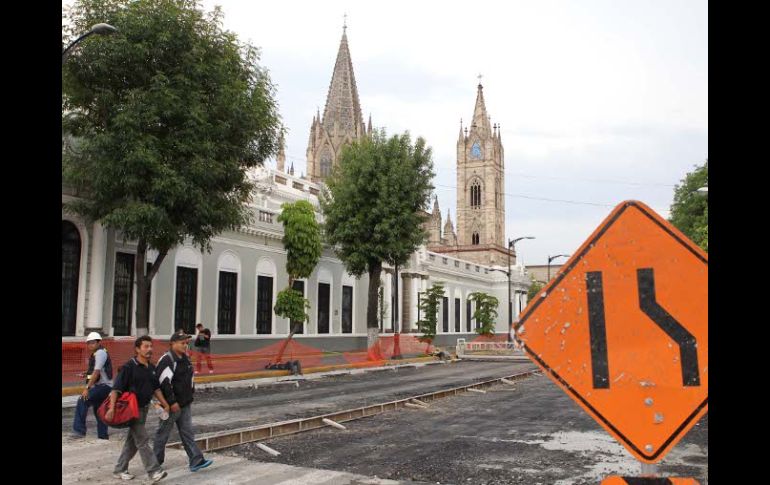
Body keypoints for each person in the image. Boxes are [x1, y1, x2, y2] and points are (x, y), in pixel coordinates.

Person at [107, 336, 170, 483]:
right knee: (142, 440)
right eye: (146, 347)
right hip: (131, 410)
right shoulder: (129, 367)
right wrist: (111, 408)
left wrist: (165, 404)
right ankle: (154, 471)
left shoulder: (151, 368)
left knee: (132, 442)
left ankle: (119, 469)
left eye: (150, 346)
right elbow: (116, 389)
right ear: (137, 349)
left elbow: (156, 389)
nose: (149, 349)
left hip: (144, 409)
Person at [154, 332, 213, 472]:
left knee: (188, 432)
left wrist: (190, 393)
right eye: (182, 343)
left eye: (186, 343)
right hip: (169, 406)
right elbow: (163, 383)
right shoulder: (167, 360)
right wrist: (171, 402)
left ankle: (196, 460)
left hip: (184, 403)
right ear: (172, 343)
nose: (185, 345)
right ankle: (155, 462)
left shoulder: (185, 358)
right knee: (162, 433)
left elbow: (189, 378)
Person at [72, 332, 113, 440]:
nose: (90, 345)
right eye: (89, 343)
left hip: (103, 386)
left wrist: (87, 388)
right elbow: (96, 371)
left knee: (82, 400)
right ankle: (103, 436)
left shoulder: (100, 353)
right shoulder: (98, 353)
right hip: (105, 387)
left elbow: (96, 372)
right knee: (99, 410)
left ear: (99, 342)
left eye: (93, 343)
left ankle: (79, 431)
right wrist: (86, 373)